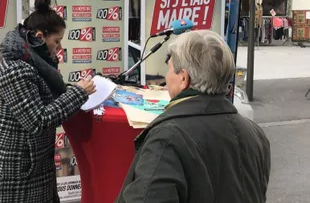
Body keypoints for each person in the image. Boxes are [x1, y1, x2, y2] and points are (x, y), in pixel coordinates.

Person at [116, 30, 271, 203]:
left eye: (169, 71)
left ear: (184, 78)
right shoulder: (255, 133)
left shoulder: (167, 139)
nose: (166, 79)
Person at [0, 0, 96, 203]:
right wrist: (78, 93)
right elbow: (37, 120)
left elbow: (45, 97)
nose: (58, 48)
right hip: (11, 176)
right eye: (56, 41)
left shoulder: (36, 62)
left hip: (30, 167)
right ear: (40, 36)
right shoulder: (16, 70)